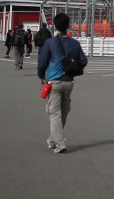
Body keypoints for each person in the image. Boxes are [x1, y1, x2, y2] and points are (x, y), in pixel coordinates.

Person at [38, 12, 88, 154]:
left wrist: (41, 76)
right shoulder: (75, 43)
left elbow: (42, 62)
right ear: (68, 25)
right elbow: (83, 61)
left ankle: (60, 143)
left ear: (54, 26)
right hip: (69, 81)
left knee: (55, 113)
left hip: (53, 81)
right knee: (64, 111)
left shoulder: (50, 43)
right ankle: (53, 139)